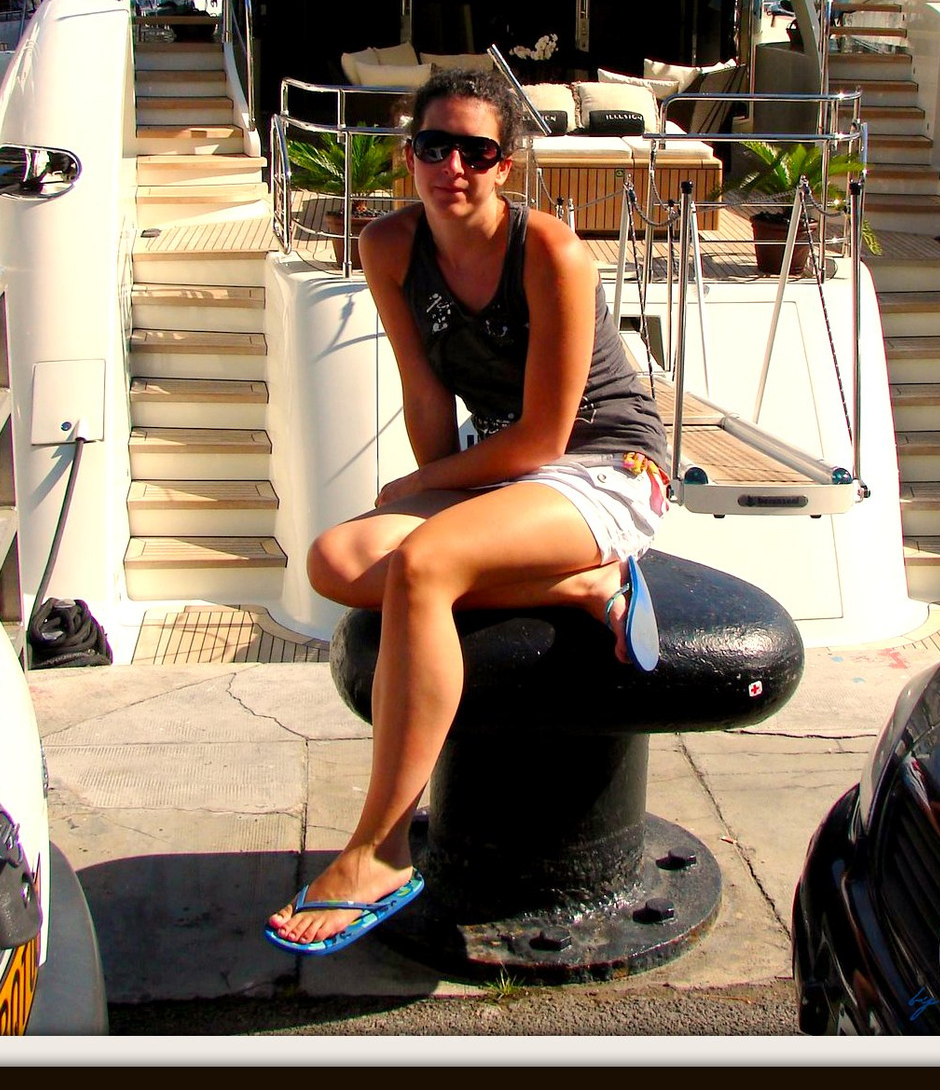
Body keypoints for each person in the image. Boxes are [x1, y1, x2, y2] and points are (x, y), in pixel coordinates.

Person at [265, 68, 671, 956]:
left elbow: (543, 437)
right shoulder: (389, 248)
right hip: (509, 476)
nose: (452, 164)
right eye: (433, 145)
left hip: (604, 466)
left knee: (422, 564)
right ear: (408, 154)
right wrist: (436, 481)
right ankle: (577, 584)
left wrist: (425, 501)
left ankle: (379, 848)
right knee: (335, 560)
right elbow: (423, 391)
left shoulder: (551, 253)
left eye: (476, 150)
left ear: (506, 165)